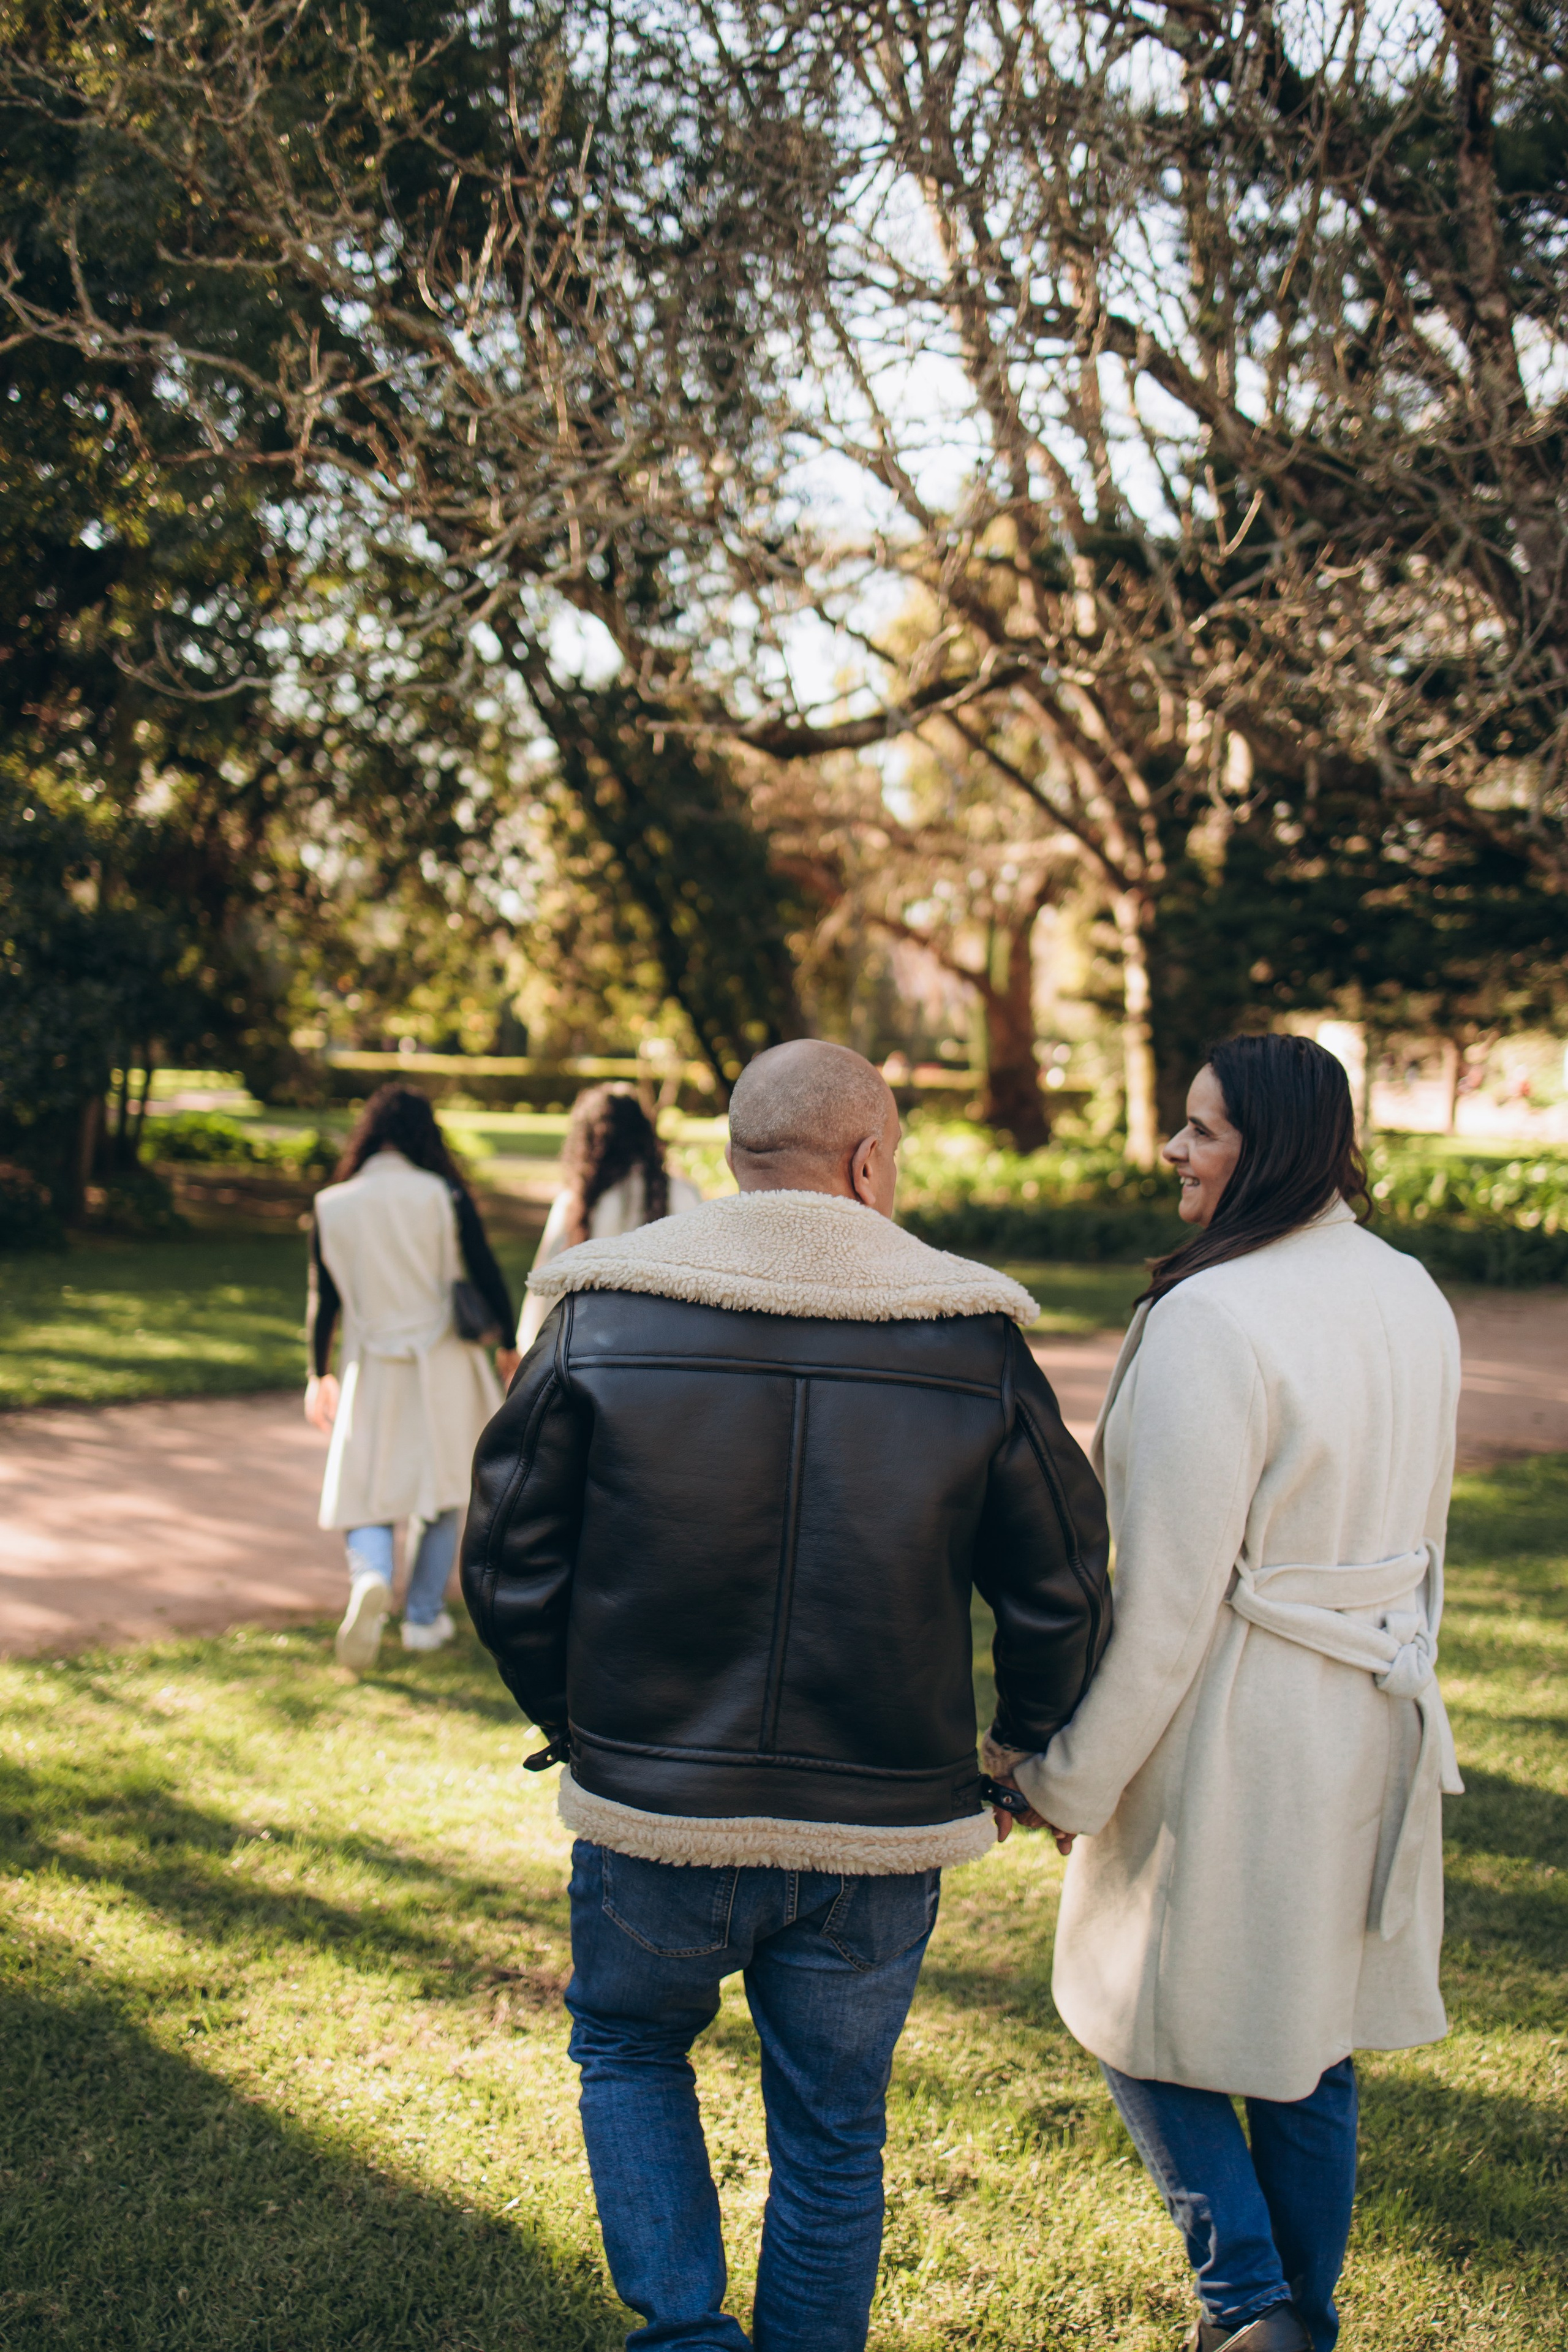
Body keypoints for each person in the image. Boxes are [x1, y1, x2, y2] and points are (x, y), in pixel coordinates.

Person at [462, 1039, 1111, 2352]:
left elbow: (503, 1563)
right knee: (831, 2134)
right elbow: (1061, 1588)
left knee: (631, 2052)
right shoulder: (970, 1336)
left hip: (655, 1810)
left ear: (733, 1159)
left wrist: (579, 1729)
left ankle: (686, 2336)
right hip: (875, 1828)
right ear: (870, 1163)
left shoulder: (603, 1308)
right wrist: (1012, 1755)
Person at [990, 1034, 1463, 2352]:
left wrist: (1063, 1778)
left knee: (1125, 2005)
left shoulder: (1211, 1316)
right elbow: (1425, 1546)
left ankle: (1247, 2301)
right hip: (1368, 1714)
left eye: (1199, 1129)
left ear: (1264, 1142)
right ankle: (1295, 2322)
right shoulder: (1409, 1288)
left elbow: (1163, 1607)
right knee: (1304, 2035)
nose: (1174, 1150)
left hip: (1238, 1729)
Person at [306, 1084, 519, 1670]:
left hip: (371, 1363)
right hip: (443, 1360)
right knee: (445, 1491)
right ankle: (423, 1618)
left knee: (365, 1485)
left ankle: (371, 1576)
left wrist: (316, 1372)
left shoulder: (333, 1203)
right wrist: (508, 1342)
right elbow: (484, 1269)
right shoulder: (442, 1194)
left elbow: (323, 1300)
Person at [518, 1082, 699, 1351]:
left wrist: (529, 1349)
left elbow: (547, 1292)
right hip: (671, 1351)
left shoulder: (577, 1204)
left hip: (591, 1357)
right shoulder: (684, 1195)